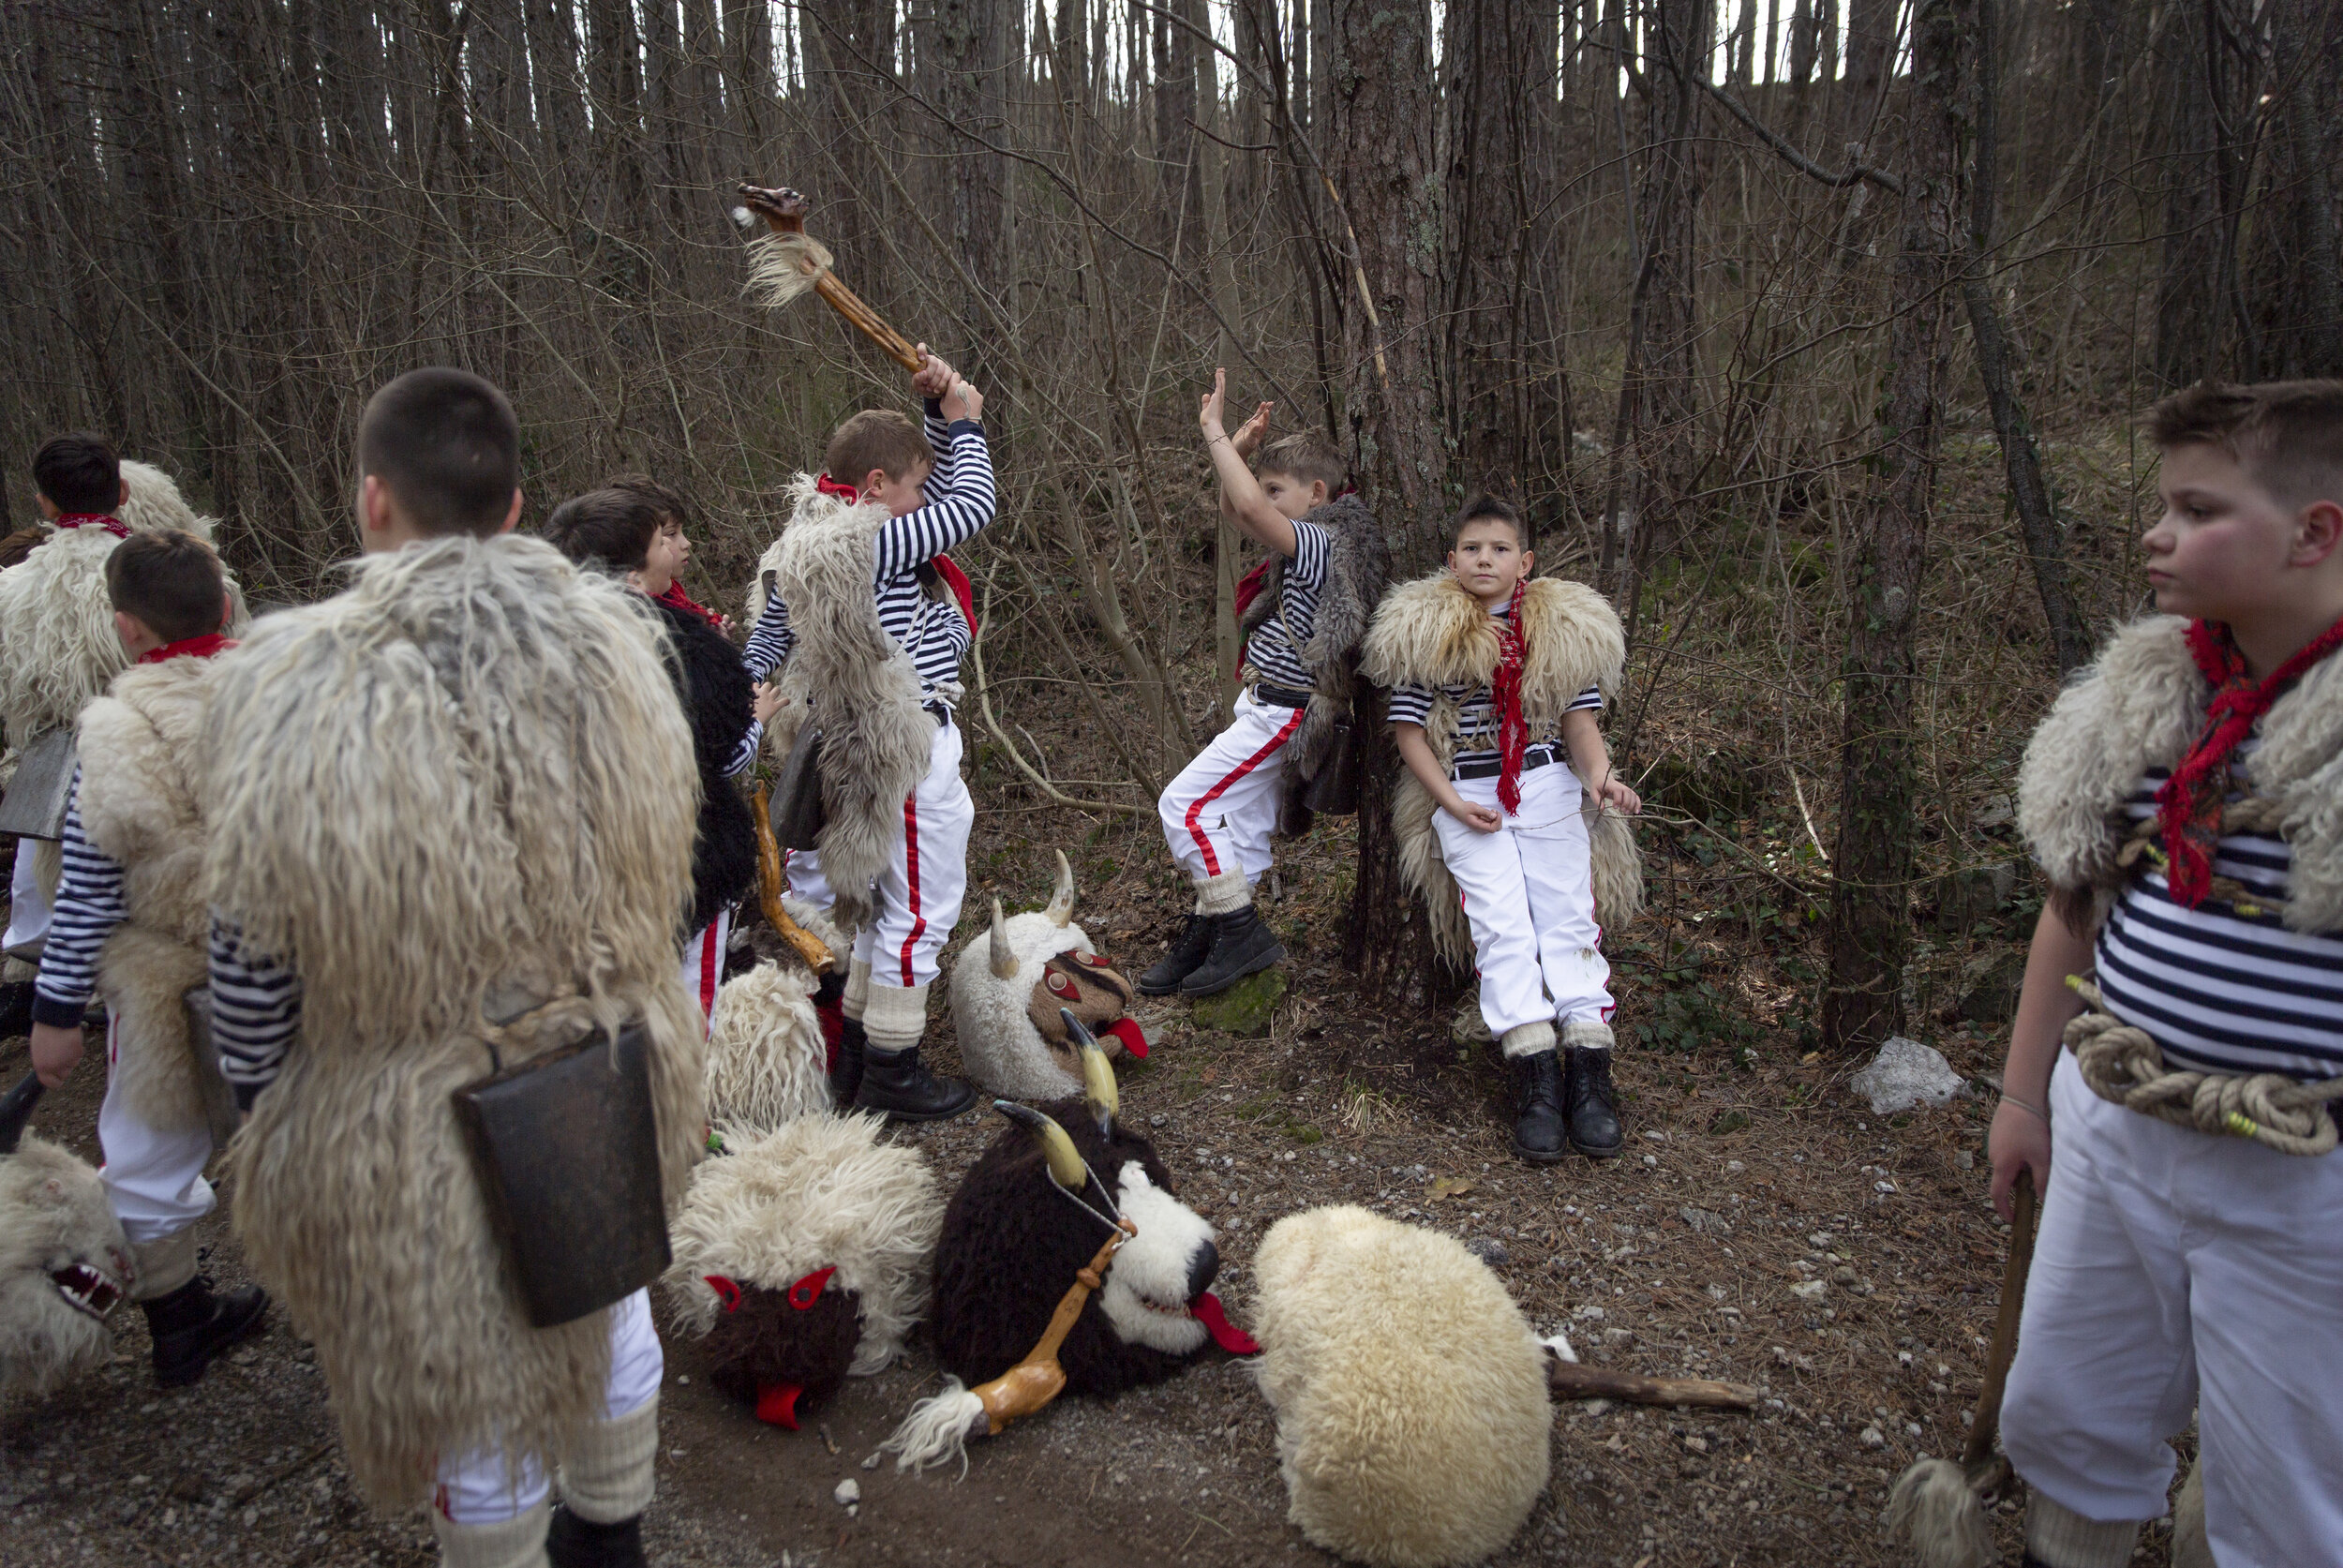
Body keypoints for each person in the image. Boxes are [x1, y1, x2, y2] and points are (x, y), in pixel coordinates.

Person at [203, 368, 705, 1568]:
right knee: (610, 1299)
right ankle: (612, 1541)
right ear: (519, 501)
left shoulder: (295, 692)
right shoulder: (625, 655)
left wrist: (268, 1101)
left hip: (411, 1111)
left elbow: (250, 951)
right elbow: (666, 869)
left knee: (472, 1380)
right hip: (605, 1052)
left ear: (374, 500)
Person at [1993, 380, 2343, 1568]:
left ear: (2316, 530)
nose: (2156, 534)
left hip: (2301, 1177)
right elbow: (2072, 908)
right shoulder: (2142, 698)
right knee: (2067, 1408)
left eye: (2197, 509)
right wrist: (2023, 1093)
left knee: (2285, 1479)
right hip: (2112, 1127)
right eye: (2161, 506)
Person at [23, 528, 263, 1385]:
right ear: (228, 603)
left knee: (146, 1155)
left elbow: (87, 889)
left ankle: (182, 1328)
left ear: (126, 629)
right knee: (316, 1142)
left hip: (165, 977)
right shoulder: (290, 697)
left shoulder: (115, 733)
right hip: (292, 966)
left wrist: (54, 1014)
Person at [739, 346, 992, 1121]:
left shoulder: (804, 546)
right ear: (876, 489)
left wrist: (929, 417)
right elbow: (973, 503)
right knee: (922, 904)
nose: (929, 499)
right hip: (903, 745)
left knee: (885, 907)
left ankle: (855, 1062)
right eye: (916, 486)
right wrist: (966, 423)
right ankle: (893, 1073)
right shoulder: (867, 542)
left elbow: (761, 648)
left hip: (866, 747)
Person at [1361, 495, 1643, 1162]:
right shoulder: (1424, 630)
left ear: (1525, 561)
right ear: (1451, 558)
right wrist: (1450, 804)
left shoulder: (1560, 628)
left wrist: (1600, 775)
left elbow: (1580, 725)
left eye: (1499, 549)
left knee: (1568, 920)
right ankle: (1535, 1078)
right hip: (1471, 788)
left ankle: (1590, 1078)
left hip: (1545, 782)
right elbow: (1408, 734)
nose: (1484, 559)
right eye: (1472, 549)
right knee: (1502, 928)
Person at [1140, 370, 1390, 999]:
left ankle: (1242, 927)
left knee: (1185, 806)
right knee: (1236, 827)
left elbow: (1246, 506)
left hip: (1285, 713)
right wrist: (1242, 453)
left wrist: (1215, 433)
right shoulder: (1302, 535)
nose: (1263, 497)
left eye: (1277, 489)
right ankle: (1213, 933)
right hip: (1265, 705)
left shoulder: (1325, 541)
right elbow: (1238, 506)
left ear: (1318, 492)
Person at [0, 437, 224, 1023]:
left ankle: (71, 989)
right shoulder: (172, 570)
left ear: (44, 504)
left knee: (73, 889)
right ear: (123, 493)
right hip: (169, 753)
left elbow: (13, 696)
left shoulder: (14, 591)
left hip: (60, 771)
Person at [543, 485, 779, 1031]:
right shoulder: (683, 658)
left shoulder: (544, 648)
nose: (683, 546)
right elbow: (714, 762)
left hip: (583, 874)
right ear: (629, 571)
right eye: (666, 537)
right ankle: (682, 1114)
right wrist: (754, 719)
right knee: (686, 1014)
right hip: (682, 865)